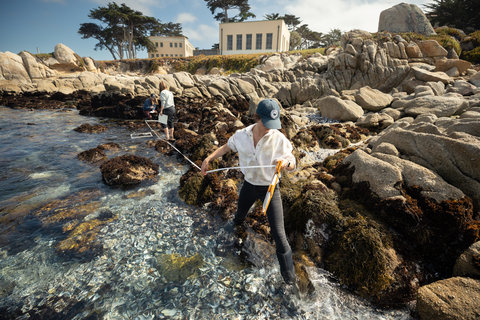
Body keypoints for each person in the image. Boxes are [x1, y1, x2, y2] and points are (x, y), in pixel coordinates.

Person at [201, 99, 297, 285]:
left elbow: (292, 162)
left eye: (273, 124)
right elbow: (227, 147)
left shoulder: (279, 139)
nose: (271, 128)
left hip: (270, 189)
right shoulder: (241, 135)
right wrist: (209, 157)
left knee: (279, 235)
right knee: (239, 217)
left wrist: (287, 164)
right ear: (257, 117)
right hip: (248, 185)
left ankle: (290, 281)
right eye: (267, 123)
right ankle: (234, 241)